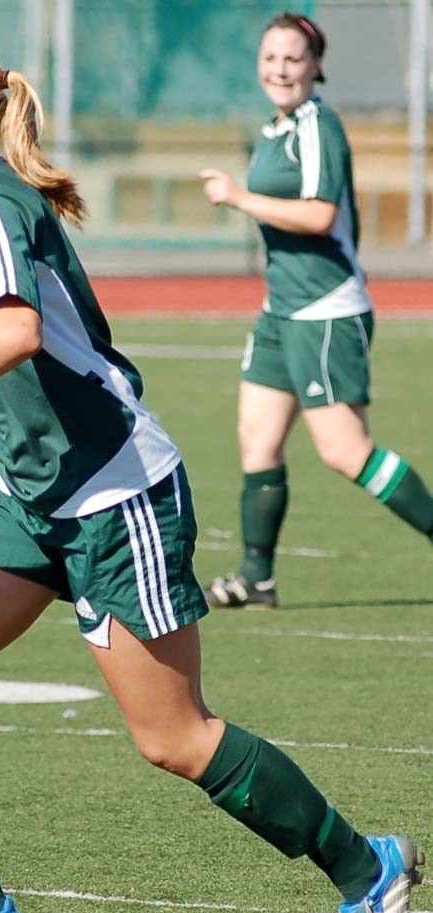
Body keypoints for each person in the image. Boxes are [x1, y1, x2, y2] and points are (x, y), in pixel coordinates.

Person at [0, 32, 424, 913]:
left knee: (173, 737)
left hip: (117, 496)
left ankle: (368, 873)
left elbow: (16, 329)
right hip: (34, 494)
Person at [199, 12, 433, 610]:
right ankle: (258, 579)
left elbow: (320, 214)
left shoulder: (317, 123)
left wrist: (238, 196)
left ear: (315, 65)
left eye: (294, 58)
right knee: (258, 439)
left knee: (344, 449)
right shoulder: (275, 128)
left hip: (326, 309)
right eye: (271, 57)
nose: (281, 68)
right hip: (282, 311)